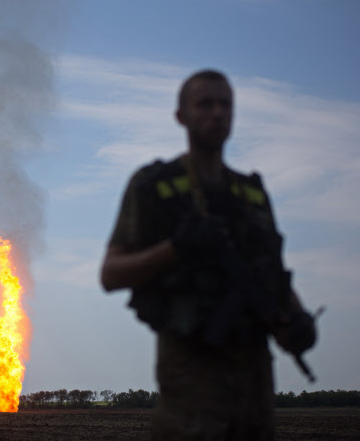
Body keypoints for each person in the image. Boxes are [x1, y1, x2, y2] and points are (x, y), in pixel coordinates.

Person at [100, 70, 315, 440]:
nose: (217, 113)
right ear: (181, 116)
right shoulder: (155, 187)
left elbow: (272, 276)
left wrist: (297, 321)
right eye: (205, 104)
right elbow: (111, 274)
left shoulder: (251, 195)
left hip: (255, 383)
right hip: (191, 381)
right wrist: (175, 249)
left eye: (225, 105)